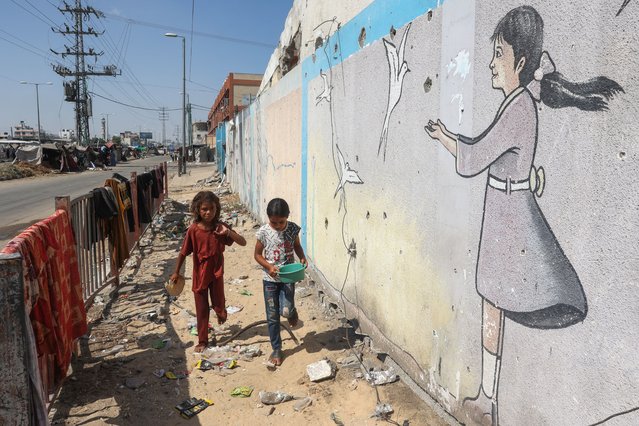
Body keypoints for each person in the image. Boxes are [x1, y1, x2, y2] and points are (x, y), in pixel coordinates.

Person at [425, 6, 622, 425]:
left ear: (518, 62)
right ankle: (488, 399)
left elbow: (476, 155)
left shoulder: (518, 108)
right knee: (492, 301)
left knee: (495, 300)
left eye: (498, 53)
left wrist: (445, 137)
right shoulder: (520, 103)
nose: (491, 63)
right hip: (507, 209)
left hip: (509, 217)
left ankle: (488, 401)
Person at [171, 191, 246, 353]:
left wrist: (228, 232)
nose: (208, 213)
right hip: (200, 274)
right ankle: (202, 340)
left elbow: (243, 242)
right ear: (197, 209)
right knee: (201, 308)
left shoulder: (221, 227)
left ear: (216, 209)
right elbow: (183, 252)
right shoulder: (193, 230)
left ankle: (221, 313)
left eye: (211, 209)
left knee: (219, 303)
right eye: (204, 209)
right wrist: (176, 272)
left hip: (217, 272)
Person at [254, 198, 307, 366]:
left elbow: (297, 246)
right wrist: (268, 266)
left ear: (287, 217)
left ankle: (292, 312)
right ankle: (276, 348)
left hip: (288, 277)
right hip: (269, 279)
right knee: (272, 315)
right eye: (273, 222)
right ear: (268, 218)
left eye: (281, 222)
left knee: (285, 310)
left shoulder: (292, 229)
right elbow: (257, 255)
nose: (277, 225)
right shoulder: (263, 232)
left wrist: (303, 257)